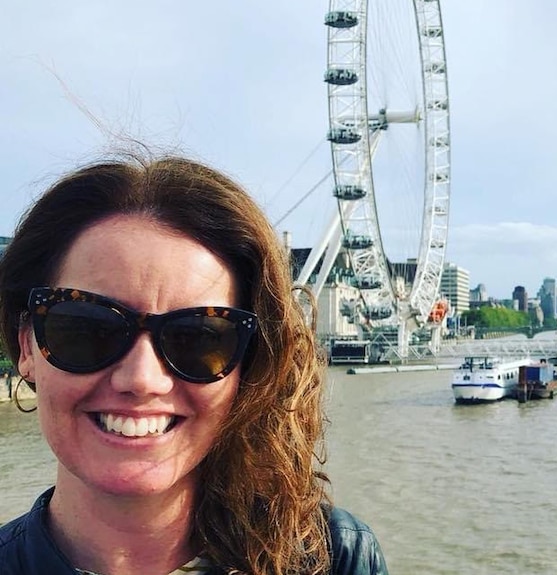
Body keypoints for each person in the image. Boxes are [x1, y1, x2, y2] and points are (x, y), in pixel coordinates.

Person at [0, 154, 389, 575]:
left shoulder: (333, 558)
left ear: (249, 363)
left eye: (200, 337)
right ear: (27, 347)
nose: (142, 379)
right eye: (87, 329)